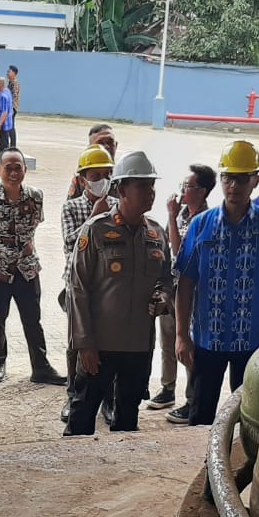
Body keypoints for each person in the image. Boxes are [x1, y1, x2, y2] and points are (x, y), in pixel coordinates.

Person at [176, 141, 259, 427]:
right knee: (200, 415)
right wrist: (181, 335)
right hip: (207, 340)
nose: (234, 186)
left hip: (254, 341)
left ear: (255, 180)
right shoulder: (201, 225)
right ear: (221, 180)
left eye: (242, 179)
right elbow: (186, 283)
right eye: (228, 178)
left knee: (249, 418)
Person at [65, 151, 173, 436]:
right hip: (100, 345)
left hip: (138, 345)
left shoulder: (156, 233)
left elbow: (165, 278)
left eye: (152, 185)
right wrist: (84, 344)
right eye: (142, 186)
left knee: (127, 420)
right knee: (82, 414)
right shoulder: (96, 230)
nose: (150, 192)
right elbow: (77, 288)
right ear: (122, 190)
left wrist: (164, 297)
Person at [0, 149, 65, 387]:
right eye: (8, 168)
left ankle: (41, 367)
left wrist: (25, 244)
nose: (13, 173)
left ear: (25, 170)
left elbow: (35, 224)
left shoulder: (35, 197)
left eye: (18, 167)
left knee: (33, 320)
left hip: (26, 269)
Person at [59, 143, 115, 423]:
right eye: (94, 176)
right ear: (82, 180)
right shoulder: (72, 207)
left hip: (108, 287)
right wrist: (95, 216)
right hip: (78, 285)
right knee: (76, 343)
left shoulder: (117, 205)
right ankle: (73, 396)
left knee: (109, 344)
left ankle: (108, 399)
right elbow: (71, 241)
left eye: (105, 175)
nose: (101, 181)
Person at [158, 163, 216, 423]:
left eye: (188, 186)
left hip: (192, 292)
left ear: (202, 191)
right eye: (183, 185)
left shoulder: (205, 220)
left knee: (189, 346)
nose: (183, 190)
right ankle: (167, 389)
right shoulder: (182, 214)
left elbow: (180, 252)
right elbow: (166, 247)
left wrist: (170, 217)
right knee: (167, 339)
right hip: (172, 287)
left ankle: (192, 401)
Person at [67, 124, 118, 200]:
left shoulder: (123, 177)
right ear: (90, 148)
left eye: (110, 142)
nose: (106, 146)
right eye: (100, 144)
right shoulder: (81, 179)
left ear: (116, 145)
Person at [0, 77, 16, 152]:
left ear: (1, 84)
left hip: (4, 124)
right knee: (5, 143)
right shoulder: (7, 91)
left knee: (3, 145)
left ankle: (4, 157)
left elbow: (4, 112)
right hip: (8, 123)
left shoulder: (3, 96)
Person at [7, 65, 21, 139]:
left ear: (14, 73)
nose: (7, 73)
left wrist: (10, 108)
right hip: (10, 107)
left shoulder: (14, 83)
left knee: (10, 126)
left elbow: (14, 96)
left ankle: (13, 143)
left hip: (12, 108)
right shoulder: (10, 83)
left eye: (9, 72)